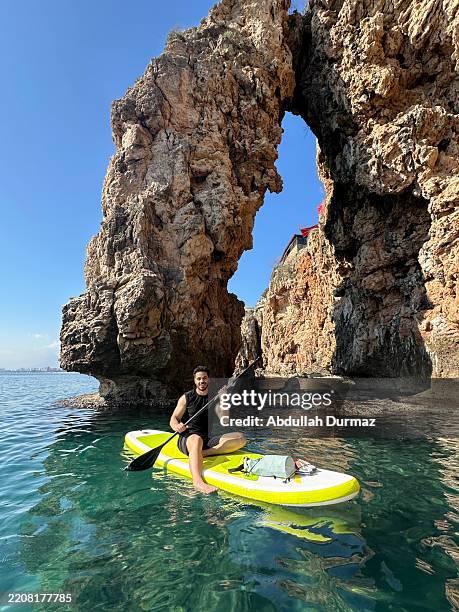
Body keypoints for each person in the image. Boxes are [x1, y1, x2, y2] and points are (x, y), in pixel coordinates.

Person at [169, 365, 246, 494]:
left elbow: (224, 419)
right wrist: (177, 426)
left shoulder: (215, 397)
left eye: (204, 378)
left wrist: (223, 399)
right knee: (196, 439)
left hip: (207, 439)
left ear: (208, 379)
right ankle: (198, 482)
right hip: (188, 438)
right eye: (199, 378)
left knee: (240, 438)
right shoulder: (186, 398)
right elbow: (174, 418)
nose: (202, 381)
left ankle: (203, 453)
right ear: (195, 380)